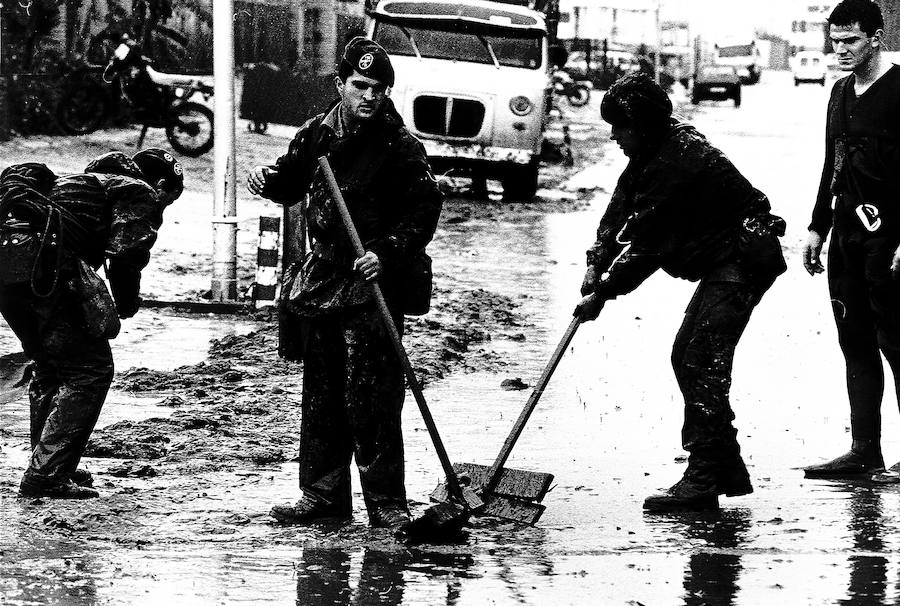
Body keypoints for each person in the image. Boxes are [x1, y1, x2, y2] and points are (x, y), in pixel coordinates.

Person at [247, 37, 443, 528]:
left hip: (372, 283)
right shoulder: (315, 134)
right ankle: (322, 497)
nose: (370, 96)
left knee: (373, 396)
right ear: (340, 85)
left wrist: (388, 252)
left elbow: (424, 212)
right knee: (323, 394)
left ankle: (386, 505)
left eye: (379, 88)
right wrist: (267, 180)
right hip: (323, 280)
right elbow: (291, 181)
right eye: (360, 85)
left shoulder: (401, 147)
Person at [576, 73, 786, 511]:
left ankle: (705, 476)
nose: (614, 136)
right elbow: (619, 209)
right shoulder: (651, 153)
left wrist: (603, 294)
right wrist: (595, 263)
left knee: (700, 359)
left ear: (645, 125)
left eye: (621, 127)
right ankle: (722, 466)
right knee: (685, 354)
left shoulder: (678, 162)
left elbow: (647, 247)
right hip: (722, 260)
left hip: (744, 257)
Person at [0, 148, 184, 499]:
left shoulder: (73, 184)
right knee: (89, 370)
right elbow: (126, 254)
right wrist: (127, 303)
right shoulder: (137, 190)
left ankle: (52, 460)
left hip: (8, 271)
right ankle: (47, 473)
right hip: (47, 268)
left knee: (51, 366)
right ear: (160, 186)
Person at [801, 0, 900, 482]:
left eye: (851, 41)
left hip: (891, 240)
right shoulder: (840, 92)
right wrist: (818, 227)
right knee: (854, 340)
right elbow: (832, 163)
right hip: (847, 237)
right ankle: (865, 450)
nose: (840, 50)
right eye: (835, 41)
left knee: (898, 342)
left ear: (876, 38)